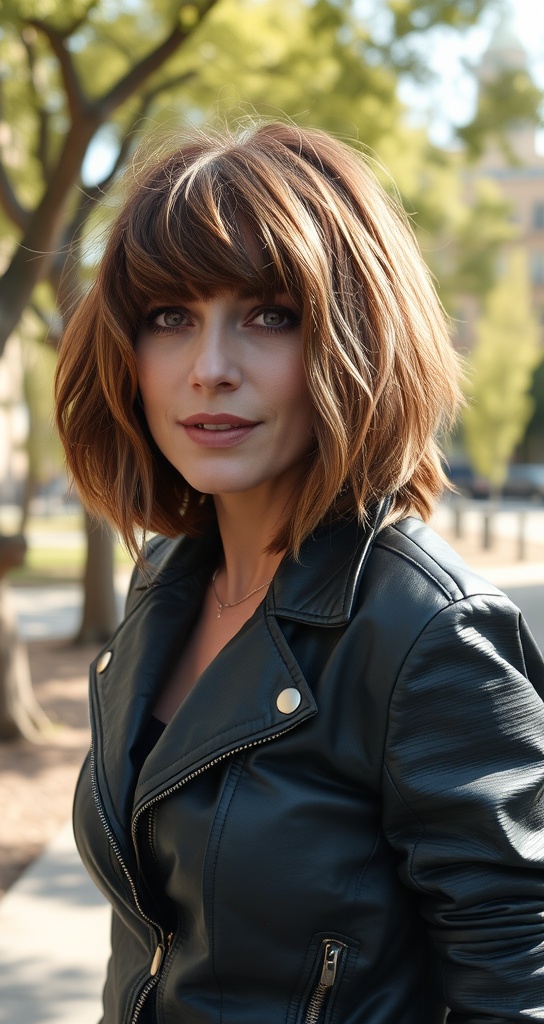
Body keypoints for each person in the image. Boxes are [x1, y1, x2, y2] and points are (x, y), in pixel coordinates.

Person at [54, 120, 544, 1024]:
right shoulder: (164, 583)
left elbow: (519, 986)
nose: (210, 369)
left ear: (359, 338)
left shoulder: (426, 634)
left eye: (270, 316)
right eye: (171, 317)